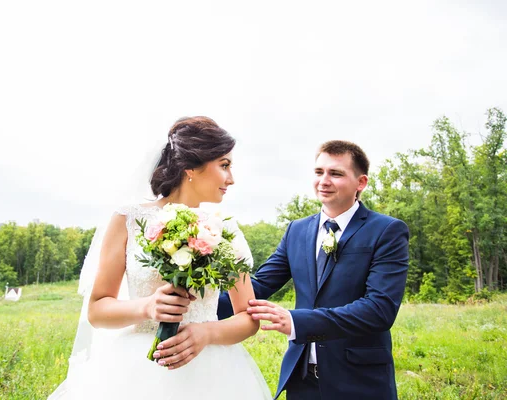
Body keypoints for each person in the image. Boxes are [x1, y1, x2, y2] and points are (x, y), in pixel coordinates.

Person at [49, 117, 272, 399]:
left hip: (211, 373)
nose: (231, 178)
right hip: (137, 370)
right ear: (192, 167)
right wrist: (147, 307)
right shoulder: (129, 219)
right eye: (224, 165)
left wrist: (207, 333)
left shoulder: (224, 228)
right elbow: (97, 310)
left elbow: (248, 319)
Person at [218, 140, 409, 400]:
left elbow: (380, 310)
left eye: (336, 173)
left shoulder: (386, 231)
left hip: (360, 381)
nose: (324, 181)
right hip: (302, 380)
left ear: (361, 183)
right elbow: (259, 285)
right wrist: (198, 310)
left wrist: (297, 321)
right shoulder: (297, 230)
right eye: (319, 172)